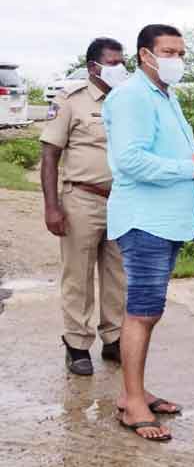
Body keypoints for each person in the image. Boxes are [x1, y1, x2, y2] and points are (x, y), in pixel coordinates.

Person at [104, 24, 194, 441]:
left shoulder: (166, 97)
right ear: (145, 55)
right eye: (169, 52)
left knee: (148, 310)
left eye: (181, 53)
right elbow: (130, 161)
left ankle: (134, 391)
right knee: (141, 311)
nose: (178, 60)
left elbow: (173, 159)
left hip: (166, 220)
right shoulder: (132, 97)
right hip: (145, 220)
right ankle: (131, 403)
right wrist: (188, 169)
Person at [40, 37, 130, 376]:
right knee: (78, 275)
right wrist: (52, 206)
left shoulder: (127, 101)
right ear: (94, 67)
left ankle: (114, 339)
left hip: (121, 201)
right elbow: (50, 156)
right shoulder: (71, 101)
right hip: (82, 199)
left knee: (117, 274)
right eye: (114, 63)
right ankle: (77, 345)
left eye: (123, 62)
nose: (121, 68)